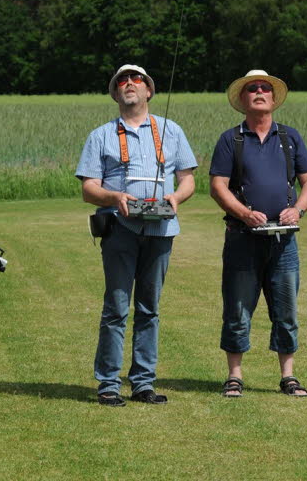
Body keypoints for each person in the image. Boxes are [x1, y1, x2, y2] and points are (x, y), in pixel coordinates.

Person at [76, 64, 197, 406]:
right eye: (122, 81)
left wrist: (176, 197)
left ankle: (143, 382)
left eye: (137, 79)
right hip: (119, 229)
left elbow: (188, 179)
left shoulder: (172, 130)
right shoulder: (100, 136)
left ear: (148, 91)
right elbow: (88, 188)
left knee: (150, 307)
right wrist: (114, 198)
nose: (129, 84)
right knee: (116, 306)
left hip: (161, 228)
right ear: (116, 94)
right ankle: (109, 384)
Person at [209, 70, 307, 398]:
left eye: (264, 88)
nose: (259, 92)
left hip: (284, 240)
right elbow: (217, 186)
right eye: (252, 88)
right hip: (242, 239)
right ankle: (234, 376)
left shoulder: (290, 137)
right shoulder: (232, 140)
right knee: (238, 309)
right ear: (242, 100)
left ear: (273, 98)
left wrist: (297, 210)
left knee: (286, 309)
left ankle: (288, 376)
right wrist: (244, 213)